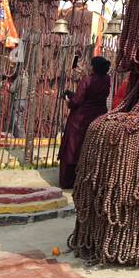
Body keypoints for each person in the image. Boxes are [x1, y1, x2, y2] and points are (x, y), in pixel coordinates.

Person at [57, 55, 112, 189]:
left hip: (80, 119)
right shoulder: (107, 79)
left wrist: (68, 100)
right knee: (91, 149)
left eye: (91, 65)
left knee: (73, 149)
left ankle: (69, 181)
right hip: (98, 117)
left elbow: (77, 101)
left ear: (94, 67)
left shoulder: (86, 81)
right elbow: (95, 89)